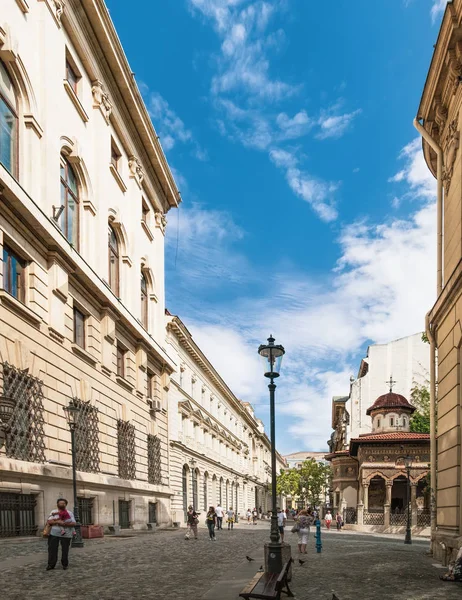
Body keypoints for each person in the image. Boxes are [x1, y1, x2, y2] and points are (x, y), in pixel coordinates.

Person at [46, 497, 76, 571]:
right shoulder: (53, 512)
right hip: (54, 534)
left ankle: (65, 564)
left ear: (66, 504)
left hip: (66, 534)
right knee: (52, 550)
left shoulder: (69, 513)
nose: (62, 504)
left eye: (63, 503)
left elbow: (74, 523)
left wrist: (64, 523)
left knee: (65, 550)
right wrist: (57, 522)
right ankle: (51, 564)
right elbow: (49, 522)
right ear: (57, 504)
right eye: (60, 503)